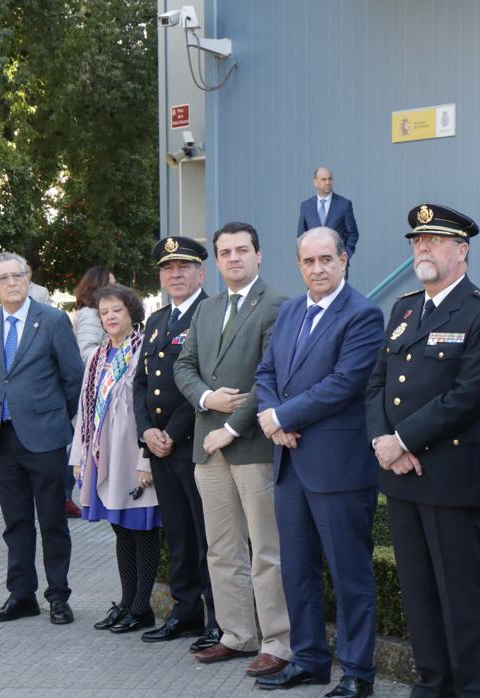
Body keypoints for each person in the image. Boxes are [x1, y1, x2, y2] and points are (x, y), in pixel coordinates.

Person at [365, 205, 480, 696]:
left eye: (434, 240)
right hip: (401, 476)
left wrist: (402, 439)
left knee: (461, 595)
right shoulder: (404, 308)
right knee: (419, 592)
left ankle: (474, 690)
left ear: (462, 250)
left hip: (448, 476)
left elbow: (470, 393)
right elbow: (377, 386)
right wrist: (385, 444)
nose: (421, 248)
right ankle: (431, 684)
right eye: (416, 241)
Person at [253, 227, 382, 697]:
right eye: (309, 262)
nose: (318, 269)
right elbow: (266, 372)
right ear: (299, 265)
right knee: (297, 569)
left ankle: (358, 673)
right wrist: (271, 418)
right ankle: (309, 659)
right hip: (289, 464)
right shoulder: (290, 311)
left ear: (344, 260)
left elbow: (345, 383)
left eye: (327, 259)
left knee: (349, 574)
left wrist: (280, 415)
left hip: (339, 468)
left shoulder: (363, 315)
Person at [173, 223, 291, 678]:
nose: (234, 258)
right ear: (216, 262)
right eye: (225, 252)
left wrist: (231, 426)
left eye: (242, 250)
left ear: (259, 255)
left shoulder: (277, 304)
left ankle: (277, 641)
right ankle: (237, 634)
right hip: (208, 446)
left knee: (266, 549)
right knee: (221, 549)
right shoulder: (206, 309)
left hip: (251, 446)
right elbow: (185, 365)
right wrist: (208, 400)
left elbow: (270, 375)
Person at [0, 252, 84, 625]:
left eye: (16, 276)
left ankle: (58, 596)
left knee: (52, 520)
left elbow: (73, 379)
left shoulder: (52, 320)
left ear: (28, 278)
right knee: (16, 523)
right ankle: (21, 595)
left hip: (45, 438)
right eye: (2, 278)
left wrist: (52, 417)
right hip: (3, 439)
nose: (10, 283)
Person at [132, 237, 219, 649]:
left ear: (202, 272)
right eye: (168, 269)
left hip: (194, 444)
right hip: (161, 447)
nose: (176, 274)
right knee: (179, 535)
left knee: (209, 537)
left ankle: (218, 618)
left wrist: (172, 433)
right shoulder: (157, 320)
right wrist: (147, 431)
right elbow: (142, 384)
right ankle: (185, 612)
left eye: (184, 266)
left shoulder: (213, 313)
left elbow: (204, 382)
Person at [71, 285, 161, 632]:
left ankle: (142, 608)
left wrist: (147, 460)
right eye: (104, 312)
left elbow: (153, 410)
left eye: (117, 311)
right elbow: (84, 407)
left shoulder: (145, 351)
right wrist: (79, 457)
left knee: (143, 531)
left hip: (134, 455)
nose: (110, 317)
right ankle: (126, 603)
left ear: (132, 313)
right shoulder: (97, 356)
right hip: (103, 454)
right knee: (121, 530)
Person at [70, 264, 115, 518]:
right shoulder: (90, 314)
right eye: (111, 284)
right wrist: (116, 361)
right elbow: (86, 352)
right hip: (100, 391)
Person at [297, 167, 360, 263]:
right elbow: (301, 237)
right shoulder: (306, 207)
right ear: (315, 182)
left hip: (337, 265)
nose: (328, 182)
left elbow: (353, 233)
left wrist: (345, 255)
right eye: (324, 179)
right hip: (315, 266)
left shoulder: (344, 205)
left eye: (330, 179)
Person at [73, 265, 114, 366]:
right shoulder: (90, 315)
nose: (117, 290)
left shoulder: (93, 312)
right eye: (113, 286)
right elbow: (86, 355)